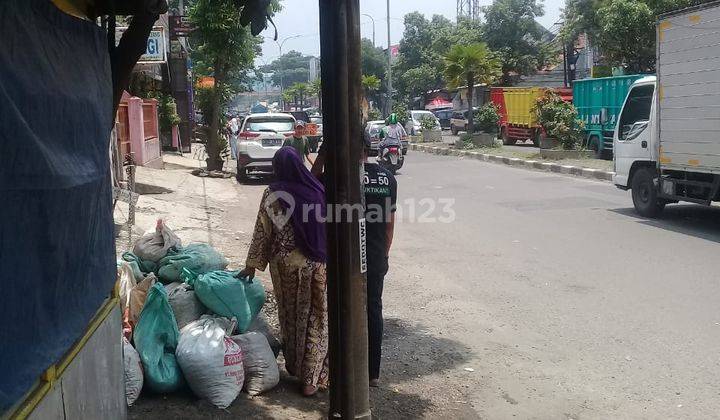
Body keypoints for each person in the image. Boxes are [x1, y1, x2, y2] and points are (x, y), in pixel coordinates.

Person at [237, 146, 328, 397]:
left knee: (290, 316)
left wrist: (251, 266)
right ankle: (311, 378)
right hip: (318, 264)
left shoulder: (273, 193)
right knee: (316, 318)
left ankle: (297, 369)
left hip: (285, 266)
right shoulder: (317, 190)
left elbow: (263, 232)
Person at [362, 136, 397, 387]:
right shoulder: (387, 178)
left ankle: (342, 365)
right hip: (375, 255)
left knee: (341, 307)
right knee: (373, 309)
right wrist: (383, 253)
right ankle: (373, 373)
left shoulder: (340, 175)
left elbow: (313, 176)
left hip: (346, 257)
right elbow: (388, 224)